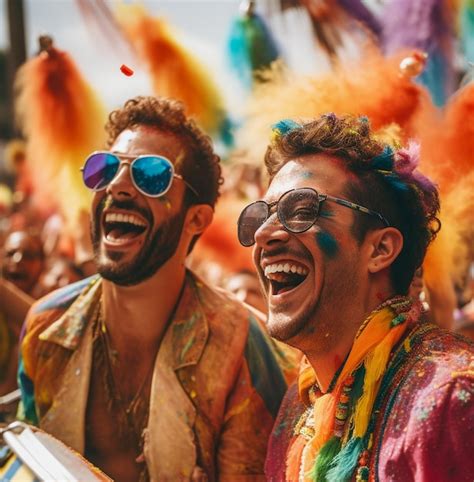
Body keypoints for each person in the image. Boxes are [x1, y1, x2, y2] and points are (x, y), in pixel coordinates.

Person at [17, 96, 288, 482]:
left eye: (151, 175)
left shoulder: (245, 347)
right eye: (104, 169)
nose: (119, 186)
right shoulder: (46, 328)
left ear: (196, 219)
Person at [237, 114, 474, 481]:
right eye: (261, 215)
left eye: (301, 211)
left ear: (380, 249)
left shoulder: (451, 396)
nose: (264, 234)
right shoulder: (296, 411)